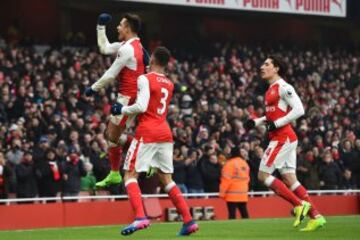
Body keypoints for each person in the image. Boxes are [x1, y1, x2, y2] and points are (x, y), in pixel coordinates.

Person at [111, 46, 199, 236]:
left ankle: (140, 217)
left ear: (152, 61)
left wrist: (121, 110)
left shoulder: (145, 78)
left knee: (130, 175)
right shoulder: (169, 83)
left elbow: (142, 106)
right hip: (165, 133)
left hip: (148, 131)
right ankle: (188, 220)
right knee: (166, 179)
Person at [245, 56, 326, 231]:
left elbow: (299, 110)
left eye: (266, 64)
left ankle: (299, 205)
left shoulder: (284, 87)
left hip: (282, 137)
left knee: (263, 176)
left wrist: (277, 124)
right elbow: (273, 115)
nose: (261, 67)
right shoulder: (270, 89)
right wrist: (257, 121)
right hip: (286, 137)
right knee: (290, 179)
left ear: (276, 69)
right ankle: (316, 217)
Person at [85, 13, 148, 188]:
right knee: (110, 136)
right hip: (127, 98)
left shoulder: (128, 49)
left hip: (128, 100)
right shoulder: (130, 46)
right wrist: (100, 27)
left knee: (112, 136)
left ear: (128, 28)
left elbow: (110, 74)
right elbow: (104, 48)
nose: (118, 27)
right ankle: (115, 173)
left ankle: (143, 156)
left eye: (120, 25)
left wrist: (93, 88)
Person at [219, 148, 250, 219]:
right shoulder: (244, 163)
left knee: (232, 215)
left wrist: (222, 193)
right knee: (244, 213)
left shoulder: (229, 164)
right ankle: (248, 228)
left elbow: (226, 180)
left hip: (232, 195)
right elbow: (247, 179)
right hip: (243, 194)